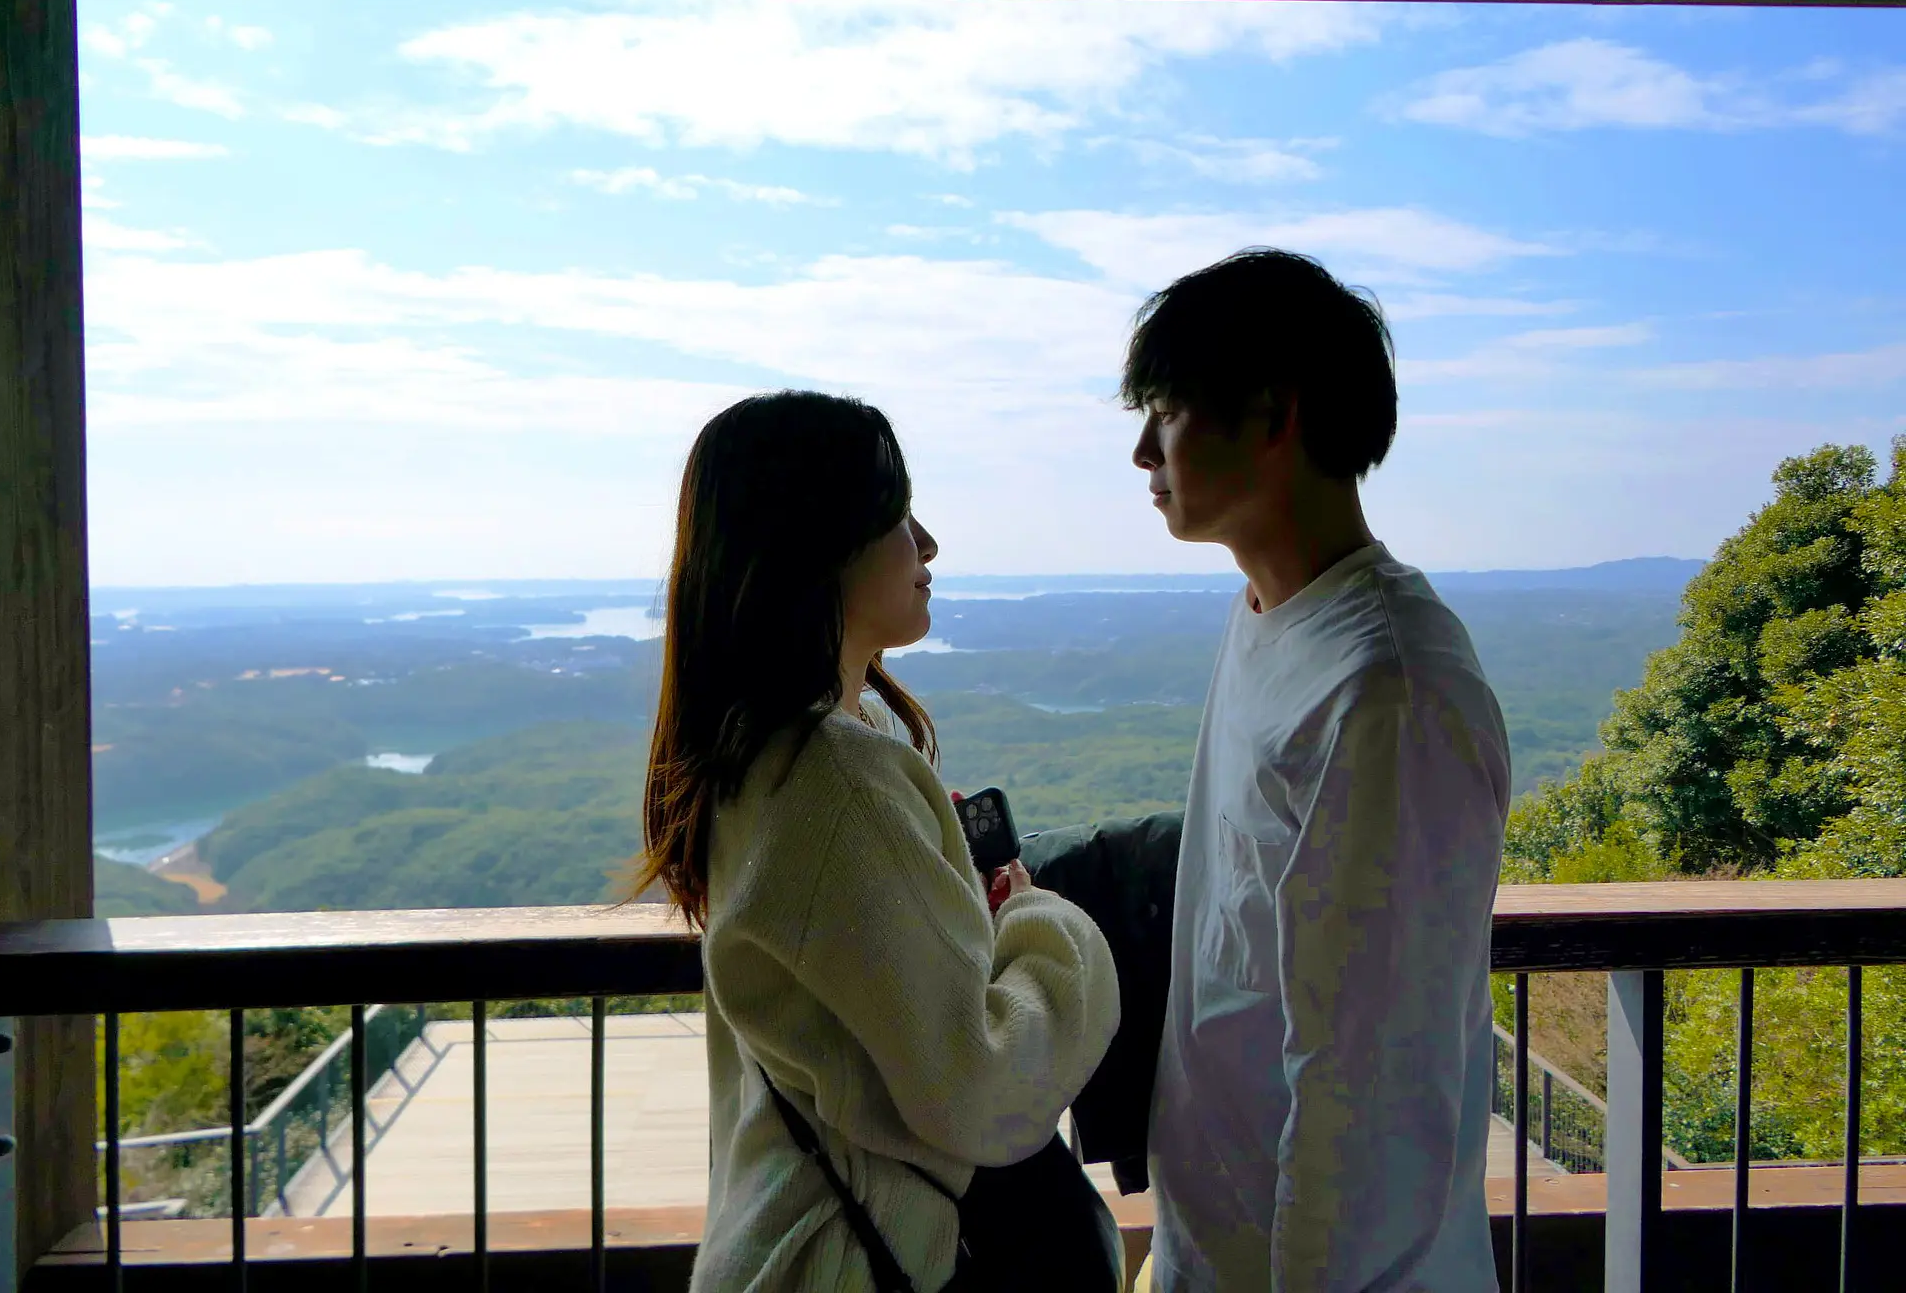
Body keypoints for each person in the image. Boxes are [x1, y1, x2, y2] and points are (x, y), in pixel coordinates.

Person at [632, 390, 1121, 1293]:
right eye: (899, 516)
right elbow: (979, 1087)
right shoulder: (835, 777)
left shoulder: (752, 754)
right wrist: (1048, 923)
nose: (927, 543)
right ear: (822, 544)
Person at [1125, 251, 1512, 1292]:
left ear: (1272, 414)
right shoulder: (1273, 615)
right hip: (1218, 1251)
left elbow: (1374, 1090)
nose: (1142, 451)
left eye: (1166, 412)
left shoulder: (1389, 689)